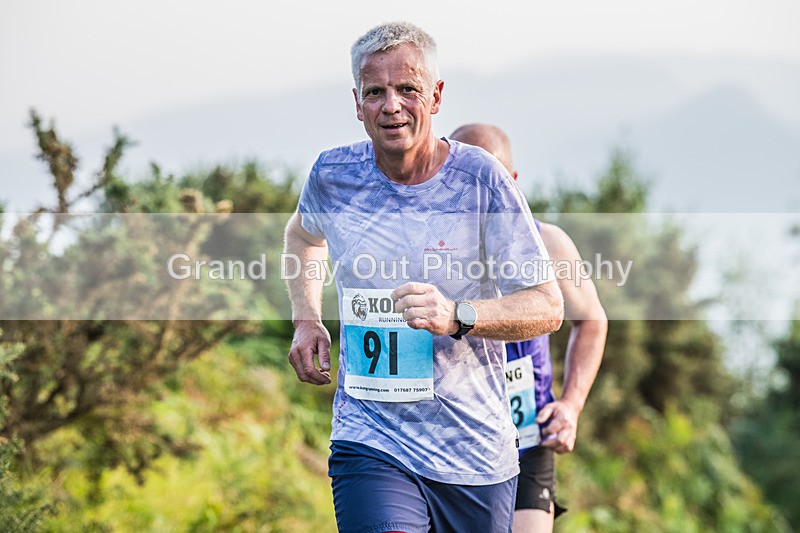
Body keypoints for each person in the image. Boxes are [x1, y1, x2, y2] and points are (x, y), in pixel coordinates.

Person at [284, 22, 564, 533]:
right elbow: (303, 238)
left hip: (473, 450)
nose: (391, 105)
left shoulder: (481, 179)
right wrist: (306, 319)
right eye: (376, 92)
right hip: (371, 437)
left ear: (435, 96)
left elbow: (546, 305)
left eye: (407, 89)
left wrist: (458, 316)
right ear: (357, 102)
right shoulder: (333, 175)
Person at [450, 123, 607, 533]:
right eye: (466, 179)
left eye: (492, 180)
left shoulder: (548, 244)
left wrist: (571, 406)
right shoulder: (430, 247)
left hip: (526, 436)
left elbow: (591, 320)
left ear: (513, 182)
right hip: (451, 436)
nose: (479, 194)